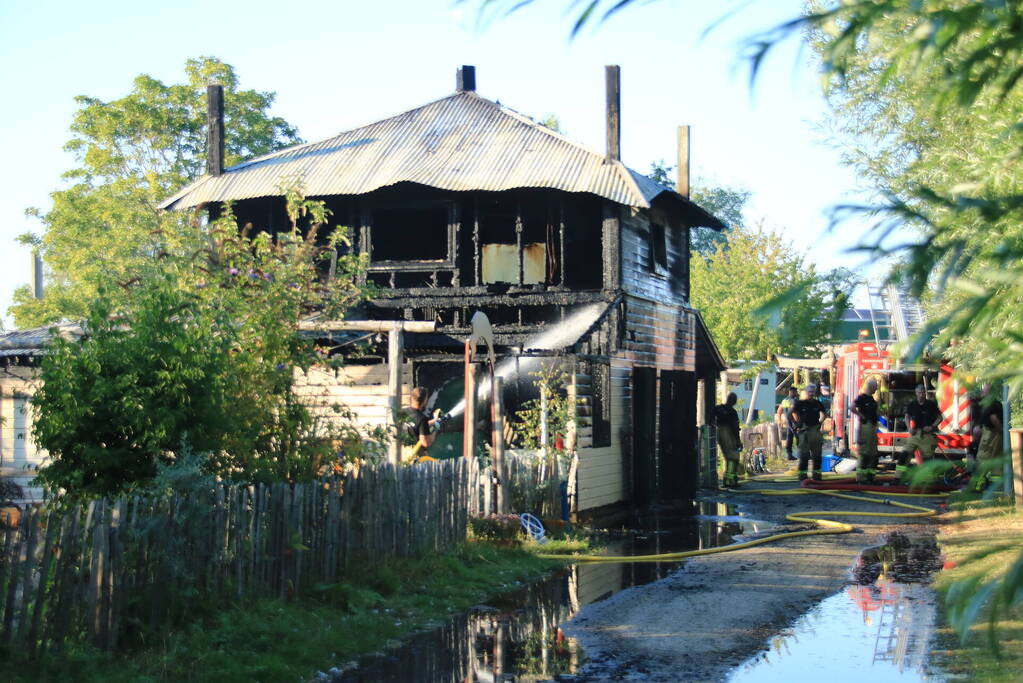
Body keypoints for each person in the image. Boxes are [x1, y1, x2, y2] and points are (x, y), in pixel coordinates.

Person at [897, 384, 942, 484]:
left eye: (922, 392)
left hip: (927, 435)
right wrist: (909, 428)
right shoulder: (912, 405)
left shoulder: (931, 404)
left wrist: (932, 426)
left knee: (927, 459)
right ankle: (898, 478)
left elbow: (940, 417)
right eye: (919, 393)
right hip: (915, 434)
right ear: (916, 393)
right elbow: (907, 417)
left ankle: (927, 481)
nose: (921, 395)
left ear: (925, 393)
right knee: (905, 454)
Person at [973, 384, 1004, 493]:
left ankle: (978, 486)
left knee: (982, 459)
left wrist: (1000, 431)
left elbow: (993, 419)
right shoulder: (996, 404)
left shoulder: (991, 405)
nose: (982, 393)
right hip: (995, 434)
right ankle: (998, 487)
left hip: (991, 434)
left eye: (984, 391)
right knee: (997, 462)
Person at [791, 384, 827, 481]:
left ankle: (817, 477)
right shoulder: (800, 403)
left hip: (815, 430)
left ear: (815, 392)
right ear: (806, 392)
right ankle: (802, 477)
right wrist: (797, 424)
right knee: (804, 455)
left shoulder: (818, 403)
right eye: (809, 391)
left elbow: (824, 414)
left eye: (812, 391)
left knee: (817, 456)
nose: (811, 393)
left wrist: (820, 422)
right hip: (804, 431)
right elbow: (792, 412)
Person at [852, 379, 880, 484]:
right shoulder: (862, 398)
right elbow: (852, 407)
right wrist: (861, 416)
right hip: (866, 427)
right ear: (871, 387)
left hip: (872, 428)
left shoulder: (871, 399)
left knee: (873, 454)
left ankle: (870, 477)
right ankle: (861, 478)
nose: (877, 388)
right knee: (864, 453)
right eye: (876, 386)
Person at [714, 392, 742, 487]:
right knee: (733, 457)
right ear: (734, 401)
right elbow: (735, 427)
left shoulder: (718, 408)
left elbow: (710, 419)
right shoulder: (732, 412)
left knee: (727, 456)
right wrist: (738, 441)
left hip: (719, 432)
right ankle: (730, 481)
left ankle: (728, 480)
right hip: (728, 433)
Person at [404, 387, 438, 462]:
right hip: (415, 455)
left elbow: (415, 425)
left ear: (411, 397)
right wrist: (435, 430)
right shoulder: (422, 418)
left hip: (403, 452)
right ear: (425, 401)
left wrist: (434, 421)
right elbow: (425, 443)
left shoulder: (403, 412)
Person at [776, 386, 799, 460]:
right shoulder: (794, 401)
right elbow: (794, 413)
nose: (797, 393)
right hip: (794, 422)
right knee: (800, 438)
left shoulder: (784, 400)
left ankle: (789, 455)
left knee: (789, 439)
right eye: (796, 392)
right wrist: (797, 423)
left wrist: (779, 420)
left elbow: (779, 411)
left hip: (787, 423)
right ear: (793, 392)